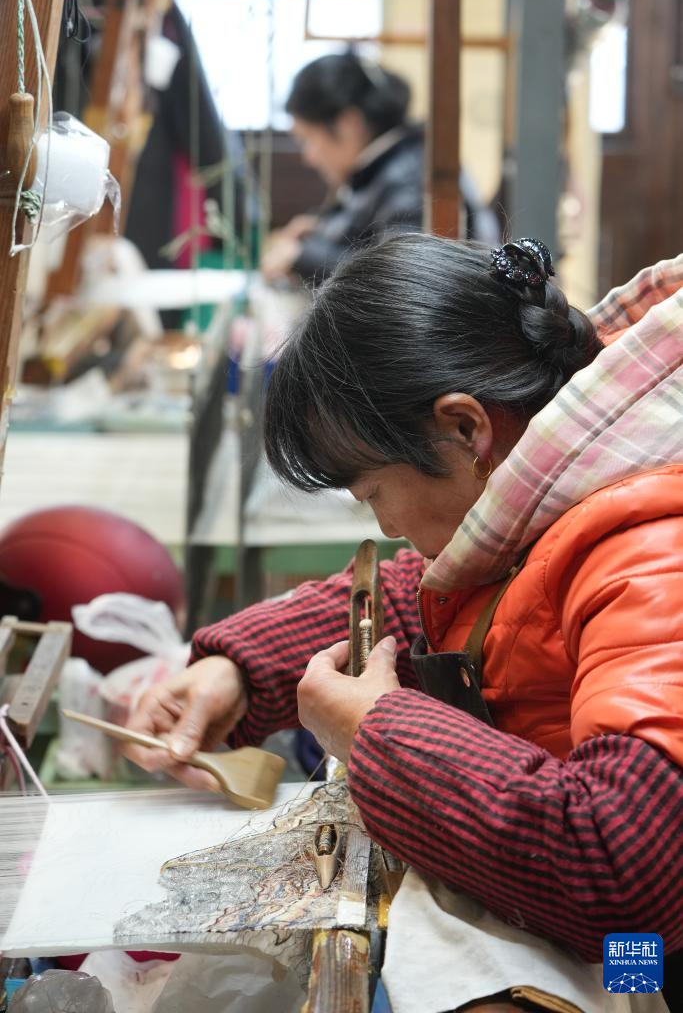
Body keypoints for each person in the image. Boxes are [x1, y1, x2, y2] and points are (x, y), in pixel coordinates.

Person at [125, 235, 683, 1011]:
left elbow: (627, 873)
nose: (384, 528)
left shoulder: (650, 553)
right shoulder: (556, 493)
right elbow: (435, 596)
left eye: (373, 494)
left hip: (648, 959)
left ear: (464, 429)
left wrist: (376, 734)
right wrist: (240, 669)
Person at [261, 52, 498, 285]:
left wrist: (302, 257)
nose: (309, 157)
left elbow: (403, 279)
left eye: (308, 139)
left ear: (349, 124)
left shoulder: (411, 176)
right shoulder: (390, 162)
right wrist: (319, 228)